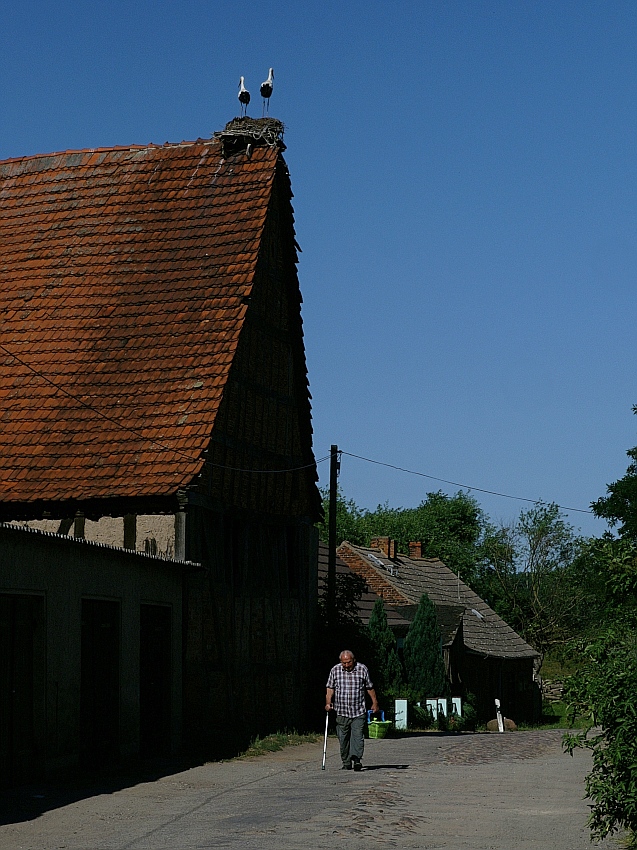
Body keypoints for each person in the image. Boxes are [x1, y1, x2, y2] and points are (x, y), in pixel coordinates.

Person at [325, 649, 379, 771]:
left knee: (357, 736)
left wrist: (375, 703)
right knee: (343, 738)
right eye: (344, 663)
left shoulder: (362, 669)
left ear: (353, 660)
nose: (346, 665)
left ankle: (357, 759)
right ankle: (346, 761)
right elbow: (330, 688)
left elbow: (369, 687)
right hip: (341, 711)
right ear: (340, 662)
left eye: (349, 662)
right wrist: (328, 702)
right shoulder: (335, 670)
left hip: (358, 710)